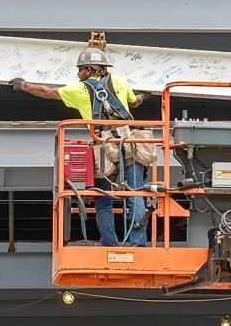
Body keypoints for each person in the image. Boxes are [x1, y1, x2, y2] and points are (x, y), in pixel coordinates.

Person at [10, 48, 150, 247]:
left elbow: (47, 92)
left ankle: (109, 243)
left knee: (103, 199)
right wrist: (143, 96)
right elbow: (134, 102)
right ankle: (139, 245)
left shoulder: (78, 89)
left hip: (103, 148)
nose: (78, 74)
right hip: (130, 143)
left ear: (88, 70)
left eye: (79, 70)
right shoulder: (120, 81)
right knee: (136, 194)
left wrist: (24, 85)